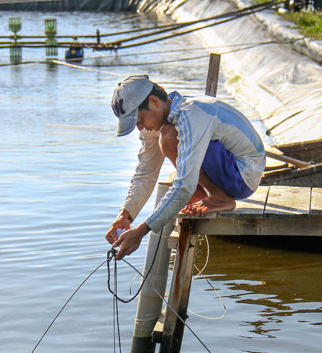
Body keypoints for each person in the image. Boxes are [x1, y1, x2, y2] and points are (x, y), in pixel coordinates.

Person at [105, 74, 266, 260]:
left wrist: (141, 231)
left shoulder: (190, 114)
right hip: (228, 172)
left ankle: (220, 198)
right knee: (168, 141)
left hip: (244, 174)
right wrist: (125, 216)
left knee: (169, 138)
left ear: (154, 102)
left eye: (139, 120)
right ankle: (200, 194)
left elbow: (184, 183)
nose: (140, 128)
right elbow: (146, 173)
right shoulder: (158, 123)